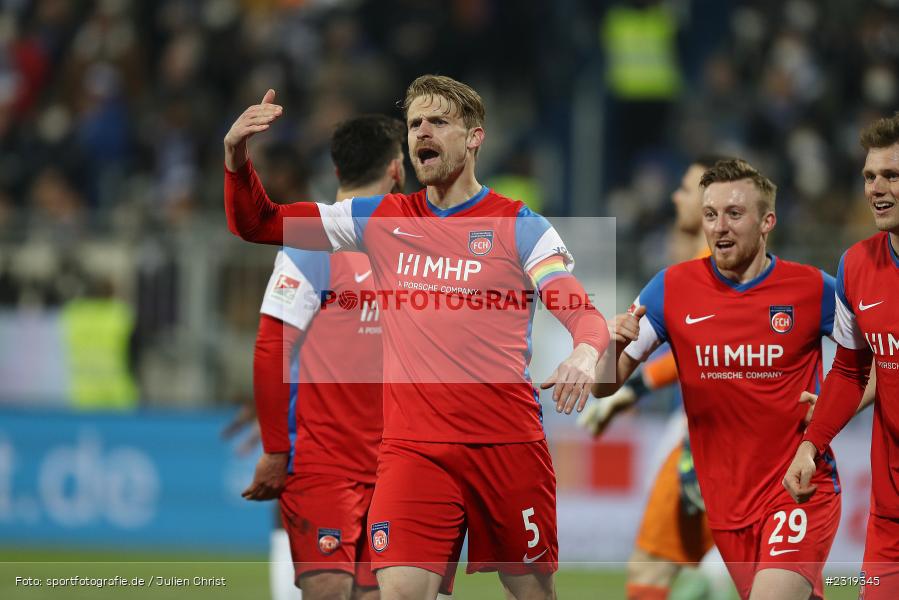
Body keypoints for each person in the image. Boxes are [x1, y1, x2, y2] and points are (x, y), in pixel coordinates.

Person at [223, 75, 610, 600]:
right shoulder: (380, 218)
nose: (422, 131)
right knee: (400, 591)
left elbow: (577, 308)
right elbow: (260, 223)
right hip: (414, 451)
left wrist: (586, 351)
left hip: (506, 445)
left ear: (474, 137)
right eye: (414, 124)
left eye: (438, 122)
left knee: (532, 592)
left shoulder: (521, 225)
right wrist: (236, 160)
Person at [593, 159, 841, 600]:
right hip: (726, 502)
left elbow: (878, 356)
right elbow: (603, 384)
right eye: (711, 215)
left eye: (734, 214)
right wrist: (612, 346)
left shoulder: (812, 289)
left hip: (799, 487)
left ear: (767, 221)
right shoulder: (670, 288)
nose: (720, 227)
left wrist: (839, 408)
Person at [240, 114, 405, 600]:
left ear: (336, 170)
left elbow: (274, 347)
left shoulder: (409, 244)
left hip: (396, 466)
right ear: (397, 169)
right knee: (333, 590)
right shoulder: (320, 237)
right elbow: (273, 345)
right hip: (329, 462)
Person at [580, 157, 729, 600]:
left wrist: (630, 392)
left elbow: (699, 358)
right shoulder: (717, 269)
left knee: (652, 566)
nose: (676, 197)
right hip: (712, 429)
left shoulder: (709, 272)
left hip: (708, 436)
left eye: (686, 189)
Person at [783, 112, 899, 599]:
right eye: (869, 176)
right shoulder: (855, 267)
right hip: (891, 512)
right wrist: (812, 443)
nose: (876, 187)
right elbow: (851, 369)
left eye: (891, 175)